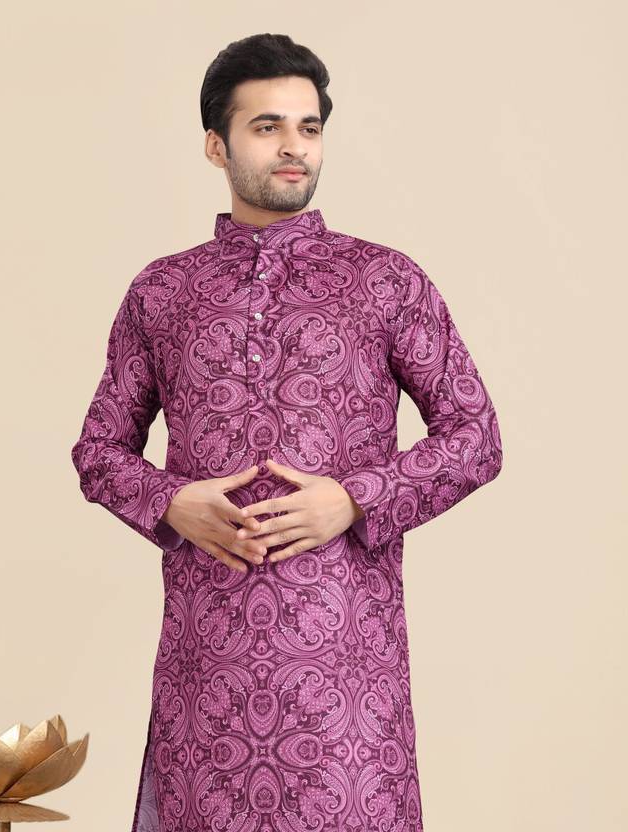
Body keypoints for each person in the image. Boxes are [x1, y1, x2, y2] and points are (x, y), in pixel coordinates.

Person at [70, 32, 503, 832]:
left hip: (347, 679)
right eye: (266, 127)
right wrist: (171, 503)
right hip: (208, 672)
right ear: (216, 145)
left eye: (308, 127)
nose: (293, 146)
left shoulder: (384, 280)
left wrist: (355, 498)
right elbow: (98, 452)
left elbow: (475, 434)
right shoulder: (163, 292)